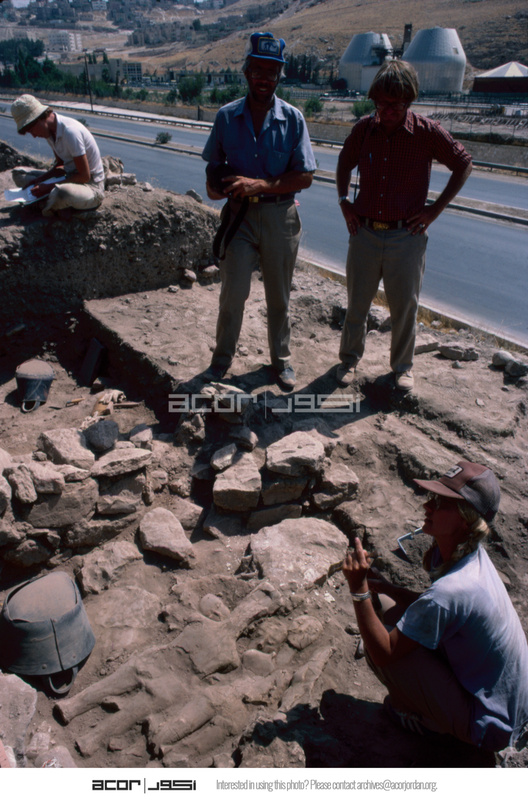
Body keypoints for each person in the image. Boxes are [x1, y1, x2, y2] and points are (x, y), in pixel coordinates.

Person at [342, 460, 528, 752]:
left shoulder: (454, 588)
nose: (427, 506)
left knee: (377, 646)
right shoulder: (470, 555)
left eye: (441, 503)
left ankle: (433, 726)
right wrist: (388, 588)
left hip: (489, 724)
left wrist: (358, 589)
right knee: (388, 606)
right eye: (433, 497)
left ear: (465, 519)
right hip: (500, 700)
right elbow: (438, 610)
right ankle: (439, 710)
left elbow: (383, 652)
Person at [335, 61, 473, 392]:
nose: (386, 111)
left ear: (408, 101)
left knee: (405, 308)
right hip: (365, 234)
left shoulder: (427, 132)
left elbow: (463, 163)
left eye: (394, 105)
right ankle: (348, 360)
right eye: (380, 103)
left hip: (406, 237)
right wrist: (344, 202)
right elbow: (343, 162)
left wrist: (434, 210)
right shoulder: (364, 129)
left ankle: (402, 368)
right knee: (357, 304)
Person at [202, 31, 316, 391]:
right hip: (239, 218)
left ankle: (281, 361)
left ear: (279, 75)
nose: (264, 78)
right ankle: (221, 361)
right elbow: (212, 168)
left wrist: (261, 185)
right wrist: (215, 187)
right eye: (257, 70)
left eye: (271, 71)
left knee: (279, 297)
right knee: (232, 294)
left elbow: (305, 177)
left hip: (280, 217)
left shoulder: (293, 119)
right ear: (246, 72)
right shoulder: (226, 117)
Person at [10, 94, 105, 217]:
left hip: (90, 186)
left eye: (32, 130)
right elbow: (60, 165)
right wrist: (38, 180)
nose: (34, 135)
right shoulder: (49, 132)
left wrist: (49, 187)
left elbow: (84, 176)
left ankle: (47, 203)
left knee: (61, 192)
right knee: (19, 174)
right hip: (69, 177)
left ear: (39, 119)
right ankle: (52, 202)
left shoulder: (70, 132)